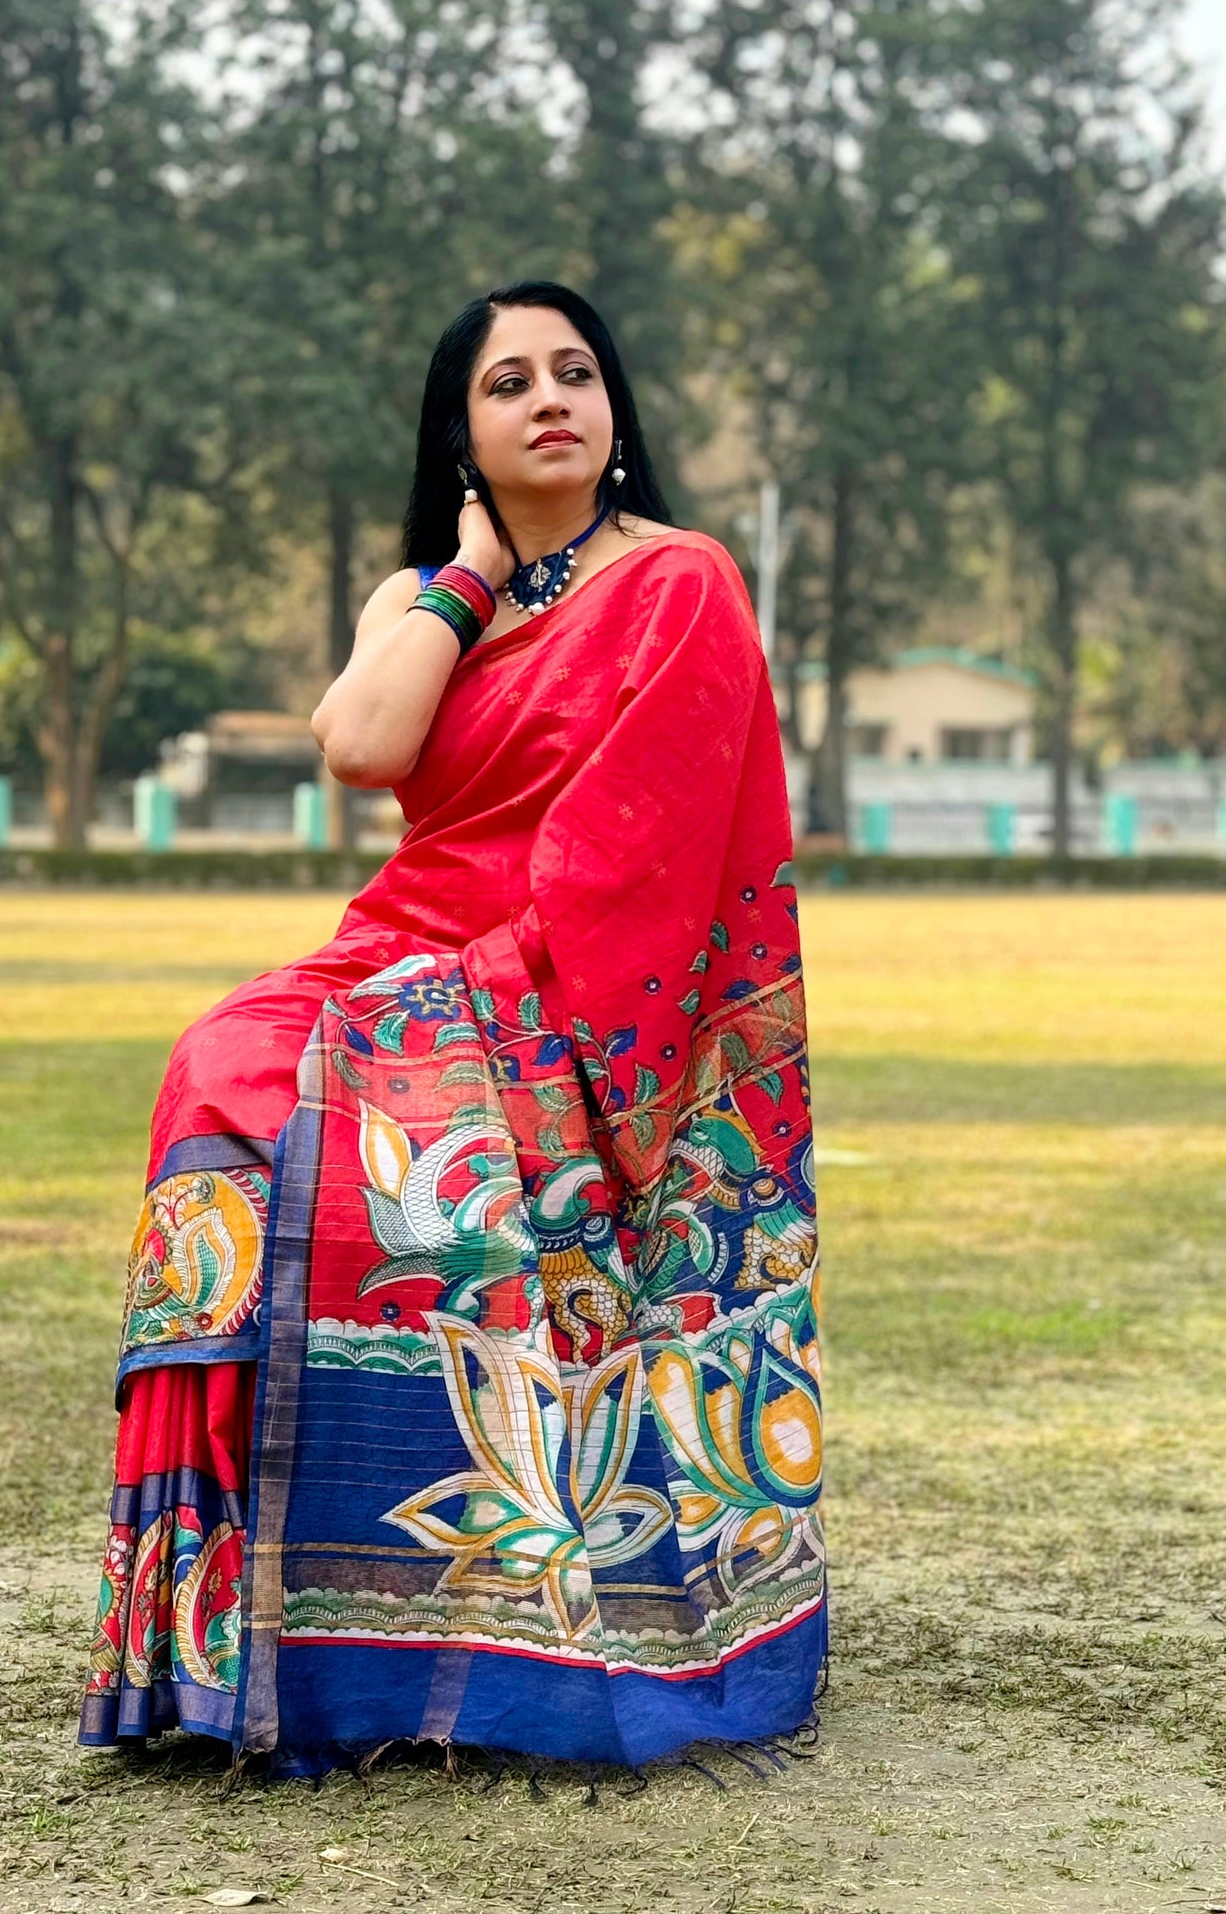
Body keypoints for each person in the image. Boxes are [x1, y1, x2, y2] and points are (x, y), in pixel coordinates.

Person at [79, 279, 826, 1776]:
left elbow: (641, 848)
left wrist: (488, 987)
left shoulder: (677, 580)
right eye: (507, 383)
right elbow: (363, 749)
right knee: (220, 1068)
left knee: (372, 1155)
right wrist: (466, 578)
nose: (550, 397)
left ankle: (479, 1624)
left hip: (563, 973)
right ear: (461, 431)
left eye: (575, 372)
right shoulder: (423, 597)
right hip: (400, 948)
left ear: (614, 414)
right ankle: (225, 1632)